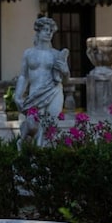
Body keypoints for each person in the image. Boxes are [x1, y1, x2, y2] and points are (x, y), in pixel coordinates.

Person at [15, 16, 69, 146]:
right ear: (38, 32)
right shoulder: (29, 53)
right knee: (32, 125)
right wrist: (17, 95)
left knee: (50, 124)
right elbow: (23, 76)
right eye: (46, 30)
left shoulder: (56, 54)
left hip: (53, 91)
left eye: (51, 30)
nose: (49, 33)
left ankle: (43, 156)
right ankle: (27, 147)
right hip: (35, 94)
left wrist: (65, 70)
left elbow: (66, 80)